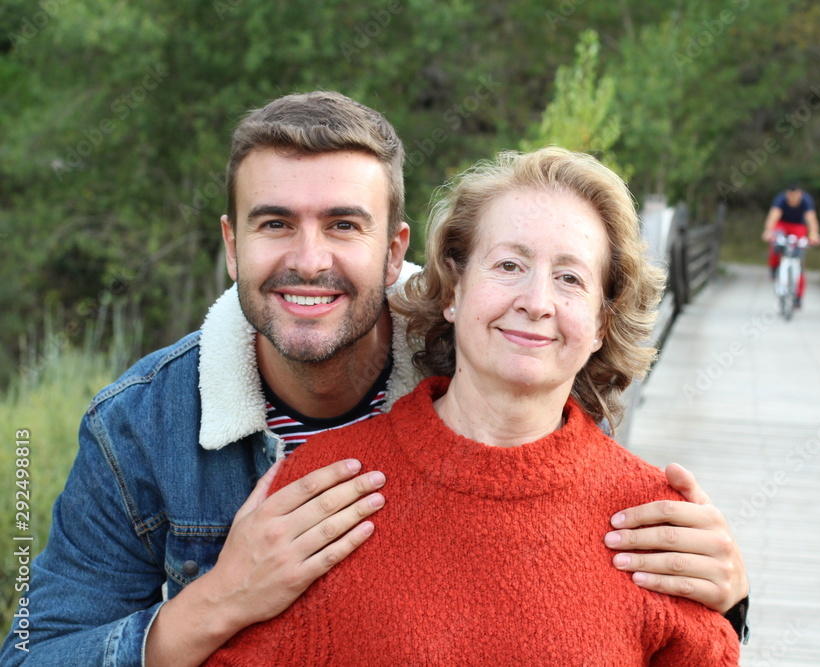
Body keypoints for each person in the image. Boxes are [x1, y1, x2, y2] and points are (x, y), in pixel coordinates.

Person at [1, 92, 748, 667]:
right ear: (232, 246)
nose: (310, 260)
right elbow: (34, 653)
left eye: (343, 225)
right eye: (273, 224)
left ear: (397, 254)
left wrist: (729, 597)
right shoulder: (138, 425)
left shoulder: (495, 356)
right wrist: (219, 601)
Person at [208, 147, 742, 665]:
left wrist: (734, 599)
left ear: (602, 323)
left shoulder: (653, 525)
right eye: (509, 265)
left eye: (570, 278)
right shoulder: (323, 488)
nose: (536, 302)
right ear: (453, 289)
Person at [761, 183, 820, 306]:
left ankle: (798, 296)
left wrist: (814, 234)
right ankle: (773, 268)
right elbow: (773, 217)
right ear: (787, 194)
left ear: (801, 194)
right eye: (791, 196)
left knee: (799, 261)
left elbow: (811, 220)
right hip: (782, 224)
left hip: (798, 227)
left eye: (796, 196)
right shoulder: (781, 199)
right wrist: (768, 231)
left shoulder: (806, 201)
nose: (793, 199)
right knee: (775, 242)